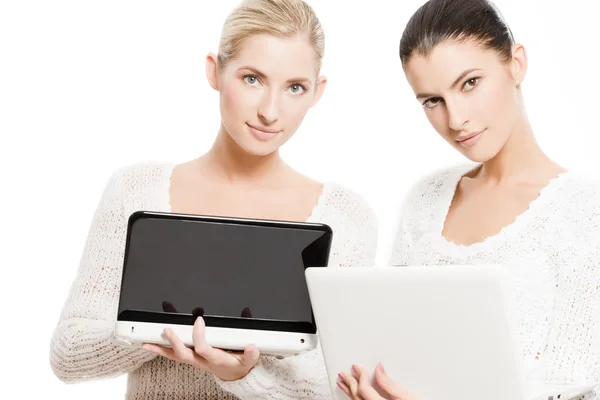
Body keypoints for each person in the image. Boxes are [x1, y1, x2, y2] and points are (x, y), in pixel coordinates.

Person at [49, 0, 378, 399]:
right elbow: (67, 354)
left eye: (295, 87)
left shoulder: (345, 217)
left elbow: (332, 386)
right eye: (252, 79)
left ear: (317, 92)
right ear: (215, 71)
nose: (271, 111)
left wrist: (242, 374)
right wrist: (162, 326)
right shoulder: (136, 190)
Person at [337, 0, 600, 399]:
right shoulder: (424, 202)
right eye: (432, 100)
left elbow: (575, 388)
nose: (455, 119)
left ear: (516, 63)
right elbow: (392, 351)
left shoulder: (586, 214)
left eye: (470, 83)